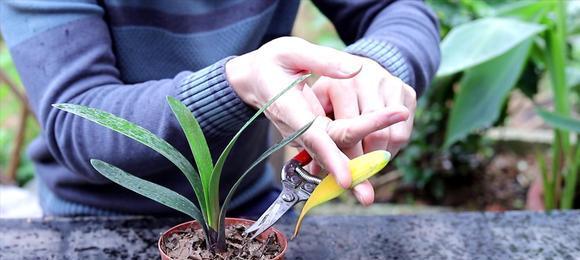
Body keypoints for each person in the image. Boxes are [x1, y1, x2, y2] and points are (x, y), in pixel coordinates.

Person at [0, 0, 440, 217]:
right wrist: (236, 85)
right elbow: (78, 119)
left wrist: (372, 68)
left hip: (250, 204)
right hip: (98, 220)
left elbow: (398, 10)